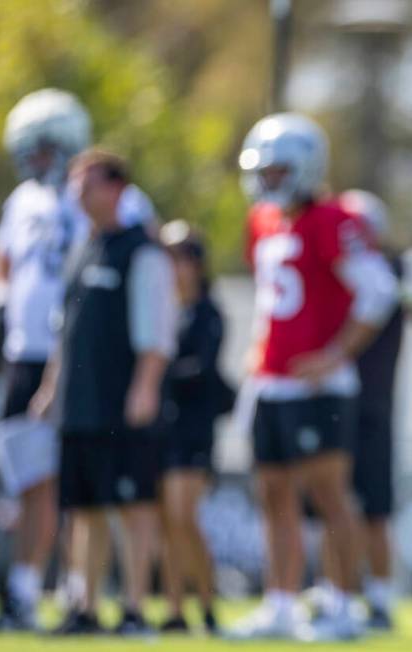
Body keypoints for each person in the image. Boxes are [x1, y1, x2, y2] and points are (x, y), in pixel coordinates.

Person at [228, 113, 397, 641]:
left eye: (280, 170)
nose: (270, 181)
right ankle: (280, 603)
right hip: (272, 381)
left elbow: (378, 290)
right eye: (265, 171)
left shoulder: (332, 217)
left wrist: (335, 354)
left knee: (329, 497)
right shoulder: (262, 220)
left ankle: (342, 605)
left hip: (318, 385)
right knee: (273, 495)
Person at [30, 149, 176, 636]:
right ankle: (85, 606)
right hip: (80, 404)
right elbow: (64, 331)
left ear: (116, 188)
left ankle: (135, 608)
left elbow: (158, 329)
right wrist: (52, 388)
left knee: (134, 508)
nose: (78, 193)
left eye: (87, 183)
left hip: (123, 402)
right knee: (84, 510)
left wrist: (146, 386)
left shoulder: (142, 250)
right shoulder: (81, 249)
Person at [0, 88, 91, 632]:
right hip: (24, 352)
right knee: (29, 480)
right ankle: (25, 591)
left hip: (75, 357)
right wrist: (0, 297)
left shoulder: (94, 194)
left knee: (73, 481)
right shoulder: (21, 201)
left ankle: (78, 592)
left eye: (45, 148)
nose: (37, 160)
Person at [156, 220, 228, 634]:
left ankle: (206, 600)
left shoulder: (206, 312)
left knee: (184, 516)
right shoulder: (163, 309)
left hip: (194, 426)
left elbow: (201, 369)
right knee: (168, 519)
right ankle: (175, 608)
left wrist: (157, 372)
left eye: (181, 256)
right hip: (164, 425)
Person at [337, 189, 403, 629]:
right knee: (334, 502)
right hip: (338, 401)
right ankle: (337, 589)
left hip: (373, 404)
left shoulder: (385, 274)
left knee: (373, 507)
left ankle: (378, 594)